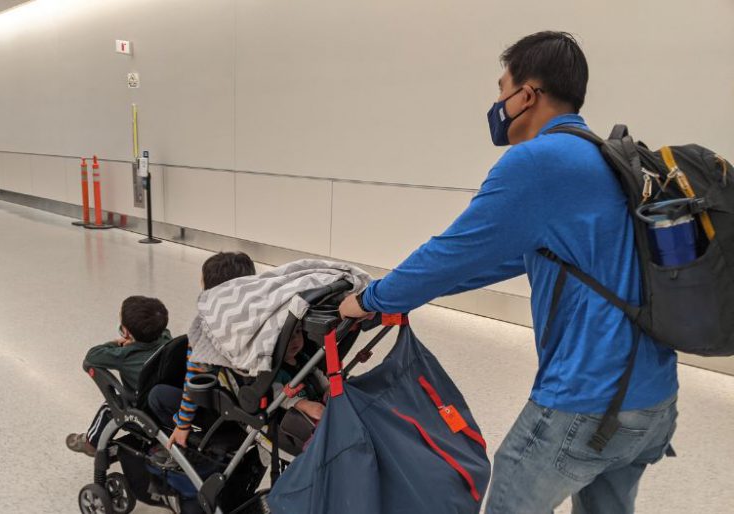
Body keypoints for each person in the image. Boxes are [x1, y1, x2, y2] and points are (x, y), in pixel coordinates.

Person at [339, 31, 678, 514]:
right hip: (654, 400)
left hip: (587, 400)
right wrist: (407, 295)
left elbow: (451, 252)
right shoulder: (603, 156)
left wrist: (370, 300)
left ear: (527, 94)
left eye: (501, 90)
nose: (497, 102)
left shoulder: (537, 160)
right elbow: (499, 259)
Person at [148, 251, 258, 449]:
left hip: (226, 412)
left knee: (157, 395)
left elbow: (194, 382)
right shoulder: (260, 318)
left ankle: (195, 442)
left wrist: (183, 424)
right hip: (254, 403)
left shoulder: (206, 329)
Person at [67, 296, 171, 456]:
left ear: (126, 331)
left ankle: (91, 443)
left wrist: (117, 342)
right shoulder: (167, 338)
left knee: (111, 404)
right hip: (166, 403)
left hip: (142, 409)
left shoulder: (125, 355)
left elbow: (92, 356)